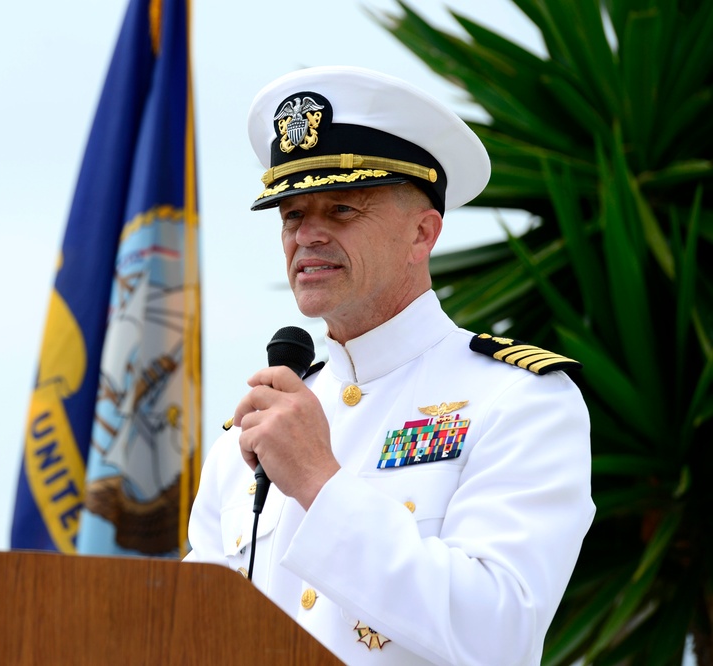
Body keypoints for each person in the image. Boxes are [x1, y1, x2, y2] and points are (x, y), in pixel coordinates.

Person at [183, 66, 595, 665]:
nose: (308, 235)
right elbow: (190, 636)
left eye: (343, 209)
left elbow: (499, 631)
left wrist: (319, 483)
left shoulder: (520, 402)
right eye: (293, 215)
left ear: (422, 233)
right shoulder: (247, 441)